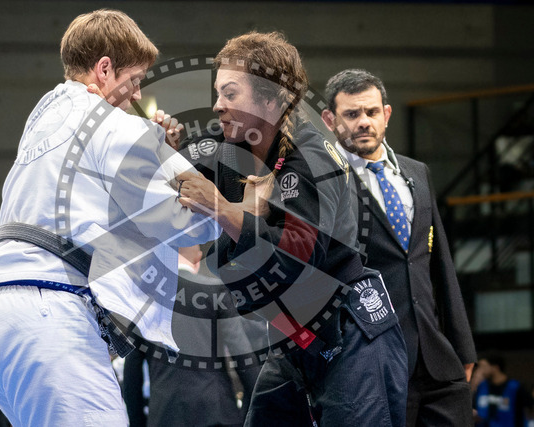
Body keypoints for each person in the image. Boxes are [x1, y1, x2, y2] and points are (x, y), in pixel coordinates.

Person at [0, 9, 220, 426]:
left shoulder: (44, 116)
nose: (137, 95)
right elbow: (185, 222)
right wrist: (235, 208)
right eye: (134, 79)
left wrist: (158, 153)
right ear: (104, 69)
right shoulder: (114, 124)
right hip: (49, 311)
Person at [177, 32, 408, 426]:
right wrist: (166, 148)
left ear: (271, 100)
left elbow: (298, 259)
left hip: (352, 332)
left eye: (230, 93)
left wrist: (224, 211)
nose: (217, 106)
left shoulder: (313, 157)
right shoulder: (232, 148)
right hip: (292, 338)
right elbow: (217, 253)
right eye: (217, 94)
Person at [320, 68, 477, 426]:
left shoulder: (417, 172)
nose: (364, 122)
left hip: (436, 359)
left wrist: (462, 346)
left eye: (371, 112)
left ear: (386, 114)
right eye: (351, 114)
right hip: (370, 361)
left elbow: (440, 264)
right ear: (330, 120)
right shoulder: (324, 182)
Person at [122, 245, 262, 427]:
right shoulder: (215, 292)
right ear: (197, 259)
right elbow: (241, 353)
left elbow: (132, 374)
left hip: (164, 416)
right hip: (216, 412)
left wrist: (138, 422)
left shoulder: (143, 300)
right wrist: (250, 414)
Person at [474, 353, 533, 427]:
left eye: (483, 367)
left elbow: (530, 408)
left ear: (495, 367)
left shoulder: (515, 387)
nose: (480, 370)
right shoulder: (482, 387)